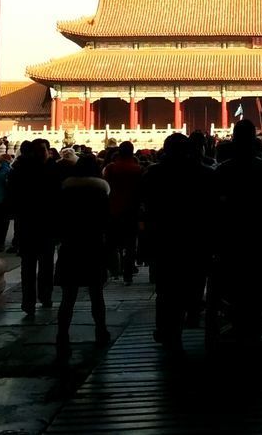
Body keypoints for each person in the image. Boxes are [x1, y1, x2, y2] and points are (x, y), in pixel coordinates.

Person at [140, 132, 217, 350]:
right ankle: (191, 312)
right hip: (196, 239)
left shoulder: (153, 173)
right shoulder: (205, 174)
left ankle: (167, 329)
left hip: (164, 238)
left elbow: (144, 206)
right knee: (194, 281)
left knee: (165, 288)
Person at [212, 120, 262, 341]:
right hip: (260, 240)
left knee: (227, 283)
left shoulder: (222, 170)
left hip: (230, 241)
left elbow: (212, 208)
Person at [54, 155, 112, 347]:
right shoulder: (101, 193)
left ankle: (62, 335)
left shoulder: (65, 192)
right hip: (93, 246)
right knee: (97, 294)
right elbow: (107, 222)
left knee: (68, 297)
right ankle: (101, 330)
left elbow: (59, 220)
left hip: (71, 247)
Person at [7, 141, 59, 315]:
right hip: (36, 224)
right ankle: (36, 298)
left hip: (37, 224)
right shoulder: (49, 170)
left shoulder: (20, 170)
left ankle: (37, 298)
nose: (43, 153)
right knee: (36, 265)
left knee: (36, 265)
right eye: (41, 150)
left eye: (44, 150)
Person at [103, 141, 143, 285]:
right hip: (131, 211)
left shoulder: (111, 168)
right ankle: (128, 275)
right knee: (130, 244)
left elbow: (105, 188)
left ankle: (111, 270)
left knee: (111, 244)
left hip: (113, 210)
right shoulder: (138, 169)